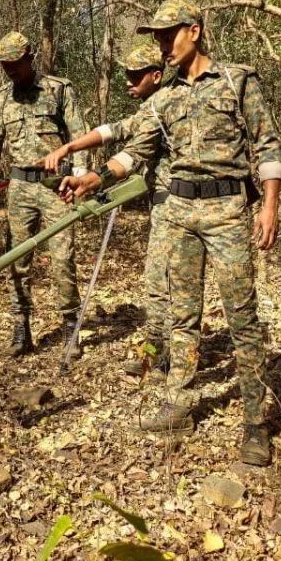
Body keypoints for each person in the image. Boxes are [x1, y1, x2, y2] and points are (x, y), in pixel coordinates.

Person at [63, 0, 281, 466]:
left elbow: (267, 143)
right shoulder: (163, 99)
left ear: (195, 31)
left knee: (241, 317)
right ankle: (180, 405)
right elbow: (133, 152)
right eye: (158, 38)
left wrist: (269, 205)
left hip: (227, 211)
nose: (162, 45)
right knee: (183, 316)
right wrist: (94, 177)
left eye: (168, 35)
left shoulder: (236, 80)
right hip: (179, 211)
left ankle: (254, 423)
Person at [39, 43, 173, 377]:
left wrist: (93, 178)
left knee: (168, 286)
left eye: (135, 75)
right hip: (163, 203)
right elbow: (114, 130)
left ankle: (170, 359)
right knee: (157, 284)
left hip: (178, 204)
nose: (128, 81)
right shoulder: (148, 108)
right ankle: (158, 355)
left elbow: (131, 155)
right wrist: (70, 145)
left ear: (156, 76)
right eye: (125, 74)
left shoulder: (166, 103)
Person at [0, 32, 89, 358]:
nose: (10, 71)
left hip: (56, 187)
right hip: (19, 189)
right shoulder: (0, 100)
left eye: (15, 64)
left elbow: (80, 136)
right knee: (17, 261)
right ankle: (21, 329)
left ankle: (70, 328)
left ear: (29, 58)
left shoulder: (59, 90)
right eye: (5, 65)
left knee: (63, 258)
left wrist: (79, 177)